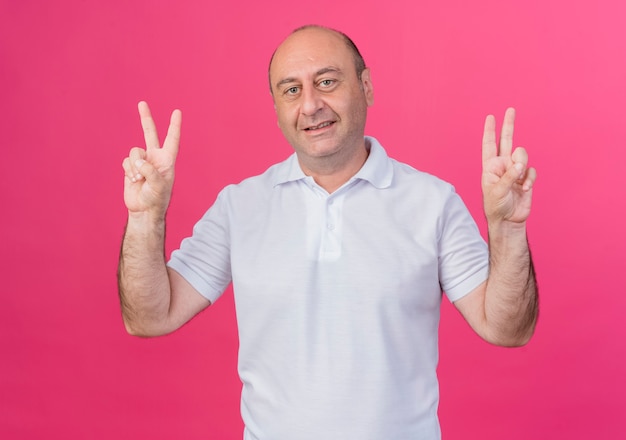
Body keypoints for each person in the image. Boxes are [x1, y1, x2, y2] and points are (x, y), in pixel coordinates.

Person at [118, 25, 538, 440]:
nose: (311, 104)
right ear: (278, 107)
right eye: (291, 90)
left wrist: (508, 228)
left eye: (327, 81)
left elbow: (507, 329)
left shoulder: (433, 203)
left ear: (366, 87)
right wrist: (145, 218)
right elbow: (151, 317)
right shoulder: (239, 207)